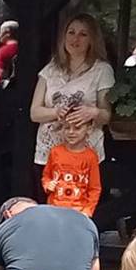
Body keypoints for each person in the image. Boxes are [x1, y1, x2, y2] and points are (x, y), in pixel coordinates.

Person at [28, 13, 115, 179]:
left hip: (84, 154)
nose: (76, 39)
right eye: (71, 32)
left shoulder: (102, 70)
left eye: (83, 34)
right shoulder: (50, 69)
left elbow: (107, 115)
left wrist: (93, 112)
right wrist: (56, 112)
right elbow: (34, 113)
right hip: (50, 153)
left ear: (92, 40)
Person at [0, 20, 20, 87]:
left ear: (8, 33)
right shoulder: (23, 48)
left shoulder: (2, 51)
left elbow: (2, 73)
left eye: (1, 32)